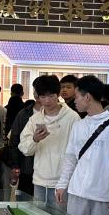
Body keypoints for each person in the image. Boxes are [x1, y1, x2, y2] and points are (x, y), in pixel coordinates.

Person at [55, 75, 109, 215]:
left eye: (77, 96)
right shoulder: (78, 125)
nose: (75, 101)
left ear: (87, 97)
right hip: (76, 192)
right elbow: (70, 158)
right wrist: (62, 184)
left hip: (102, 195)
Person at [21, 74, 79, 208]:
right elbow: (24, 148)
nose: (47, 101)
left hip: (62, 181)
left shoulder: (72, 118)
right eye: (43, 97)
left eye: (51, 96)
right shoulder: (35, 119)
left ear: (58, 94)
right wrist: (34, 139)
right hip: (39, 179)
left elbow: (78, 150)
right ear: (37, 97)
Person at [8, 97, 38, 200]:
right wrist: (15, 165)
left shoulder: (66, 115)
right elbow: (14, 140)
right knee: (25, 202)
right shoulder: (23, 114)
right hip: (26, 167)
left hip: (49, 172)